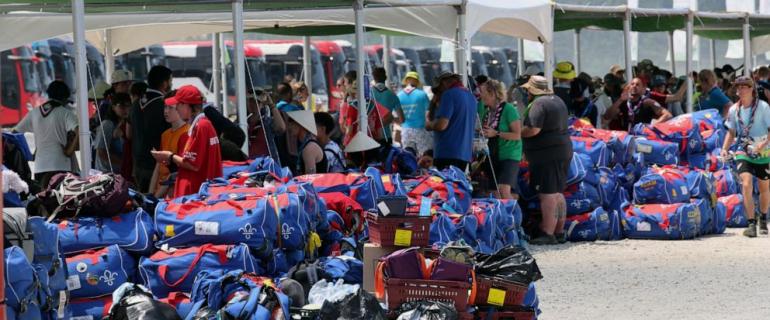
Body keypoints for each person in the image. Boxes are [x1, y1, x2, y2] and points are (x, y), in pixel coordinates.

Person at [519, 75, 573, 245]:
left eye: (528, 89)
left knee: (547, 194)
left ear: (533, 90)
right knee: (557, 192)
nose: (526, 92)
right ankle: (559, 231)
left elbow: (534, 129)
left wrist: (517, 132)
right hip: (562, 149)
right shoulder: (557, 100)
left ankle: (547, 232)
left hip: (547, 154)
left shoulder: (539, 104)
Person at [151, 85, 222, 198]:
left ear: (187, 105)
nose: (177, 109)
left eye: (178, 105)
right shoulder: (203, 125)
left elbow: (193, 164)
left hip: (197, 196)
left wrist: (169, 156)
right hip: (197, 194)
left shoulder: (201, 126)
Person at [721, 76, 770, 238]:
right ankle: (751, 223)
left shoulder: (763, 107)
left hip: (763, 151)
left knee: (764, 188)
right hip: (743, 149)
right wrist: (724, 148)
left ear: (751, 89)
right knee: (746, 183)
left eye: (744, 87)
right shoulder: (734, 109)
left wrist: (761, 145)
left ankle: (763, 217)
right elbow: (731, 131)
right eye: (738, 87)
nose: (740, 90)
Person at [14, 80, 79, 187]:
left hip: (40, 166)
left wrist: (28, 153)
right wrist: (69, 150)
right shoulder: (66, 113)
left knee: (44, 199)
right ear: (64, 98)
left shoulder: (34, 113)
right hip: (60, 165)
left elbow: (14, 133)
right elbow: (79, 130)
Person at [477, 79, 522, 200]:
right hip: (493, 154)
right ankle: (501, 216)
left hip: (509, 154)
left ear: (492, 93)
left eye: (482, 92)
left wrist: (496, 133)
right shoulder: (487, 111)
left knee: (503, 189)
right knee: (494, 192)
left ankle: (513, 217)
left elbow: (517, 135)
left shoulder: (509, 109)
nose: (480, 95)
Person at [131, 66, 172, 192]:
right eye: (170, 81)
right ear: (165, 83)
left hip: (138, 163)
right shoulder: (163, 104)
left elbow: (128, 133)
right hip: (156, 164)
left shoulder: (136, 103)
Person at [425, 72, 476, 171]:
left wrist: (429, 125)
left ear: (443, 83)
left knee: (445, 185)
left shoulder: (449, 94)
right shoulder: (471, 97)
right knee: (457, 185)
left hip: (447, 152)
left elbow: (441, 125)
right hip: (465, 153)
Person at [149, 94, 190, 198]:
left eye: (170, 108)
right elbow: (158, 165)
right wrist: (150, 193)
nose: (166, 111)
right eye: (165, 107)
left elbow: (178, 172)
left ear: (179, 109)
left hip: (172, 192)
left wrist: (156, 197)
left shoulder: (187, 134)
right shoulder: (165, 134)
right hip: (160, 191)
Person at [603, 77, 672, 131]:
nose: (634, 86)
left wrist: (651, 126)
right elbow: (607, 116)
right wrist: (620, 100)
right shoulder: (624, 102)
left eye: (637, 85)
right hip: (628, 139)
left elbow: (668, 115)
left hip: (643, 137)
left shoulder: (647, 102)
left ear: (643, 89)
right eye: (632, 84)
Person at [94, 93, 131, 174]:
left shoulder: (126, 124)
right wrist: (124, 164)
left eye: (129, 106)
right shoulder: (107, 124)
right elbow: (101, 152)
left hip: (120, 173)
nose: (126, 109)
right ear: (113, 107)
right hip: (106, 174)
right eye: (122, 106)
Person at [396, 71, 432, 156]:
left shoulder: (399, 95)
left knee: (408, 157)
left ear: (406, 81)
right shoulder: (422, 95)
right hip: (420, 130)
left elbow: (396, 116)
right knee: (424, 156)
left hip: (405, 131)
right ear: (417, 82)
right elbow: (429, 113)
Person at [247, 87, 286, 159]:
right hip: (247, 165)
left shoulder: (266, 122)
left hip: (266, 165)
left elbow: (281, 128)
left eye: (257, 102)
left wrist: (271, 105)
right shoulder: (244, 122)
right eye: (251, 101)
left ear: (262, 105)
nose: (253, 104)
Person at [287, 110, 327, 175]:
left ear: (300, 125)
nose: (289, 128)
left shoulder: (309, 148)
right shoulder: (306, 144)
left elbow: (309, 180)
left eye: (291, 124)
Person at [370, 67, 400, 142]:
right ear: (385, 78)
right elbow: (402, 119)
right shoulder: (392, 95)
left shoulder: (368, 94)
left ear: (374, 78)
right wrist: (391, 119)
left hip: (371, 136)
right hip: (386, 136)